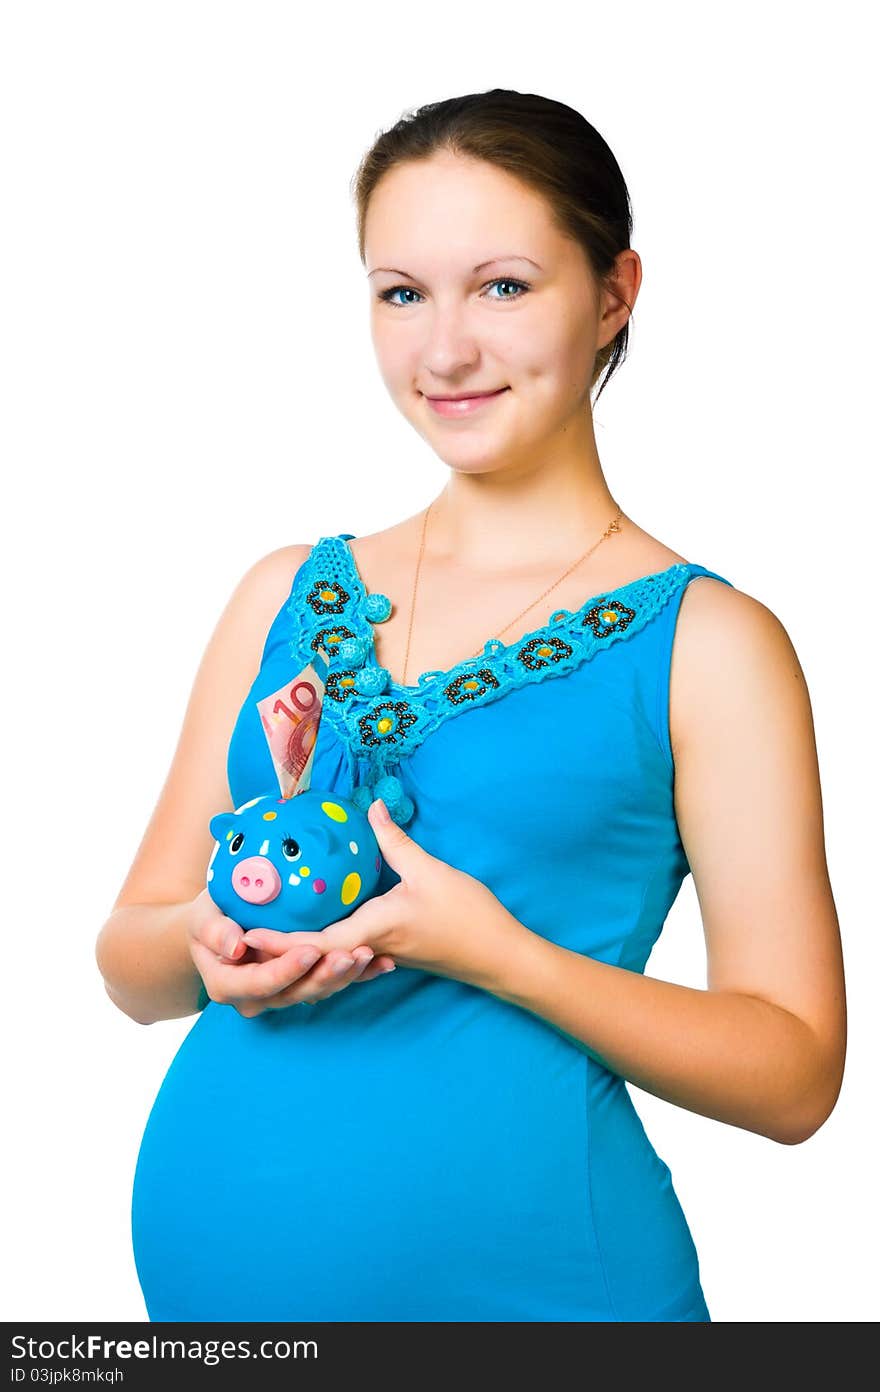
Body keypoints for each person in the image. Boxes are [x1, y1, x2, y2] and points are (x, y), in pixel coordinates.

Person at [95, 88, 846, 1323]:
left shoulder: (710, 646)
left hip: (543, 1293)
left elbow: (794, 1076)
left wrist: (499, 954)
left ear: (613, 292)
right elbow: (129, 963)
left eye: (501, 286)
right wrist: (210, 943)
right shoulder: (281, 594)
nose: (442, 350)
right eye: (402, 293)